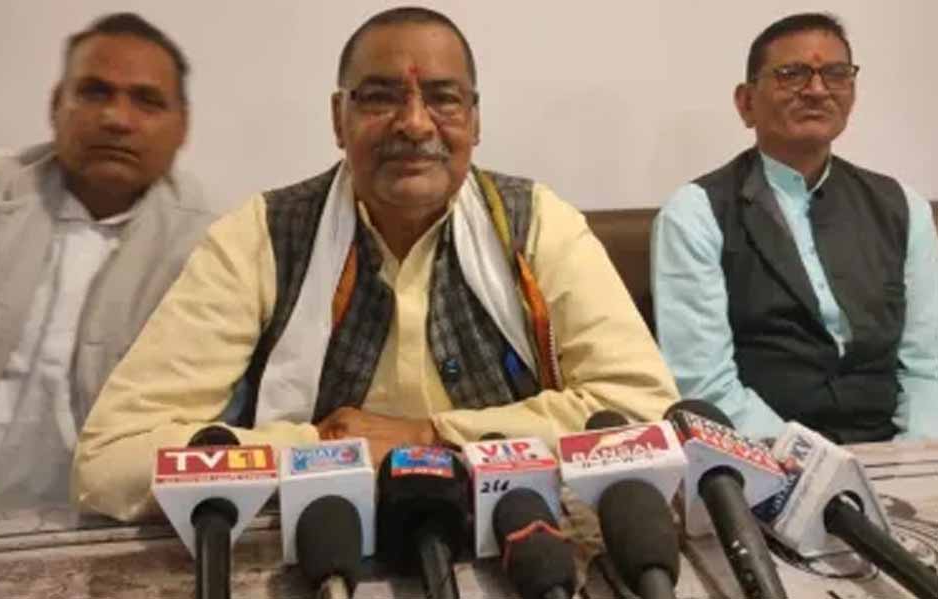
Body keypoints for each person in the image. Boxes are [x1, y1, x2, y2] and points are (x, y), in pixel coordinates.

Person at [72, 6, 677, 521]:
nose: (413, 123)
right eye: (381, 98)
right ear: (339, 119)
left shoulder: (537, 225)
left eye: (443, 99)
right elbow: (111, 460)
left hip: (514, 537)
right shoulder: (261, 237)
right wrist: (324, 451)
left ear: (475, 120)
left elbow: (643, 414)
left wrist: (429, 438)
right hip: (314, 543)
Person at [0, 13, 217, 512]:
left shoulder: (211, 246)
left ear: (183, 127)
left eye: (147, 101)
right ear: (55, 104)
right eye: (94, 92)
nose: (116, 119)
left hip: (109, 533)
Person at [652, 12, 938, 443]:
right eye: (792, 74)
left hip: (897, 453)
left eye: (836, 74)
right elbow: (705, 385)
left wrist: (914, 458)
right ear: (746, 103)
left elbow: (928, 365)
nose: (818, 90)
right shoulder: (695, 214)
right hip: (766, 457)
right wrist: (810, 464)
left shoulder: (902, 207)